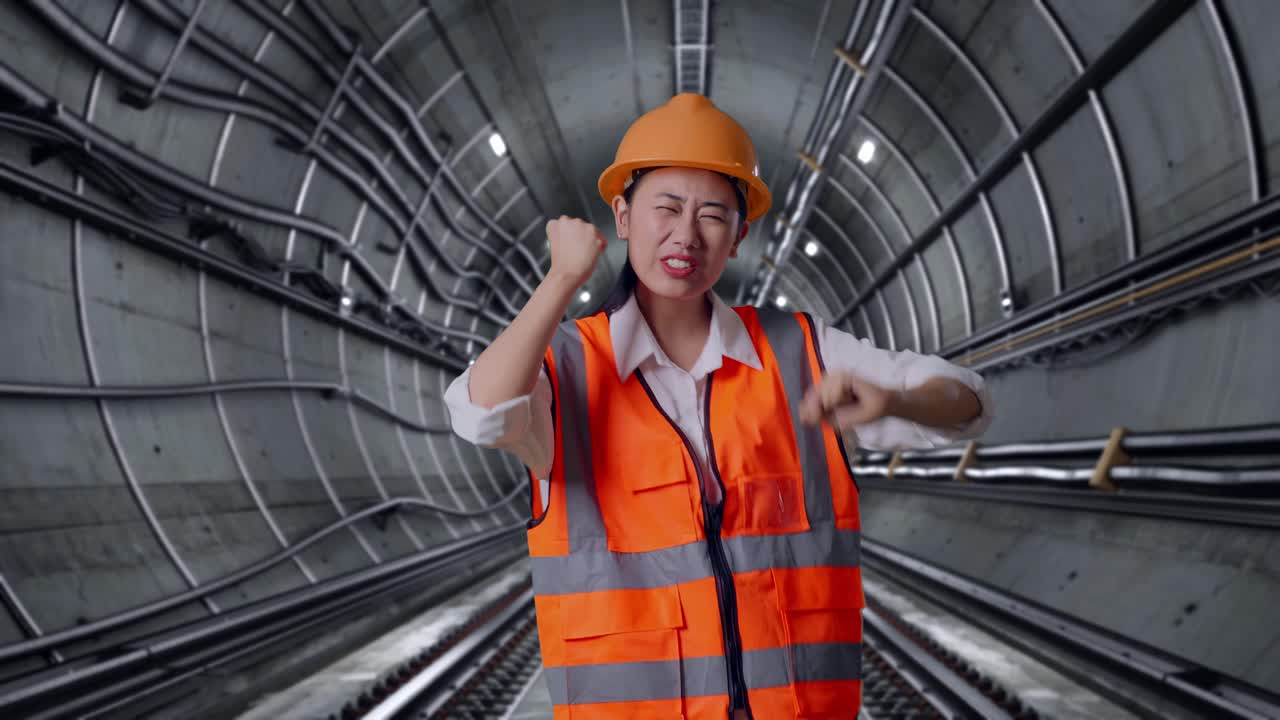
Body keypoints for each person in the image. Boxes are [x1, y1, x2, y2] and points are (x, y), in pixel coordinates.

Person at [445, 93, 992, 719]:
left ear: (739, 236)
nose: (686, 234)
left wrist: (896, 400)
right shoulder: (564, 365)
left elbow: (968, 400)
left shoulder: (799, 350)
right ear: (622, 216)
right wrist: (559, 283)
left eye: (712, 215)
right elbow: (480, 412)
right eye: (666, 208)